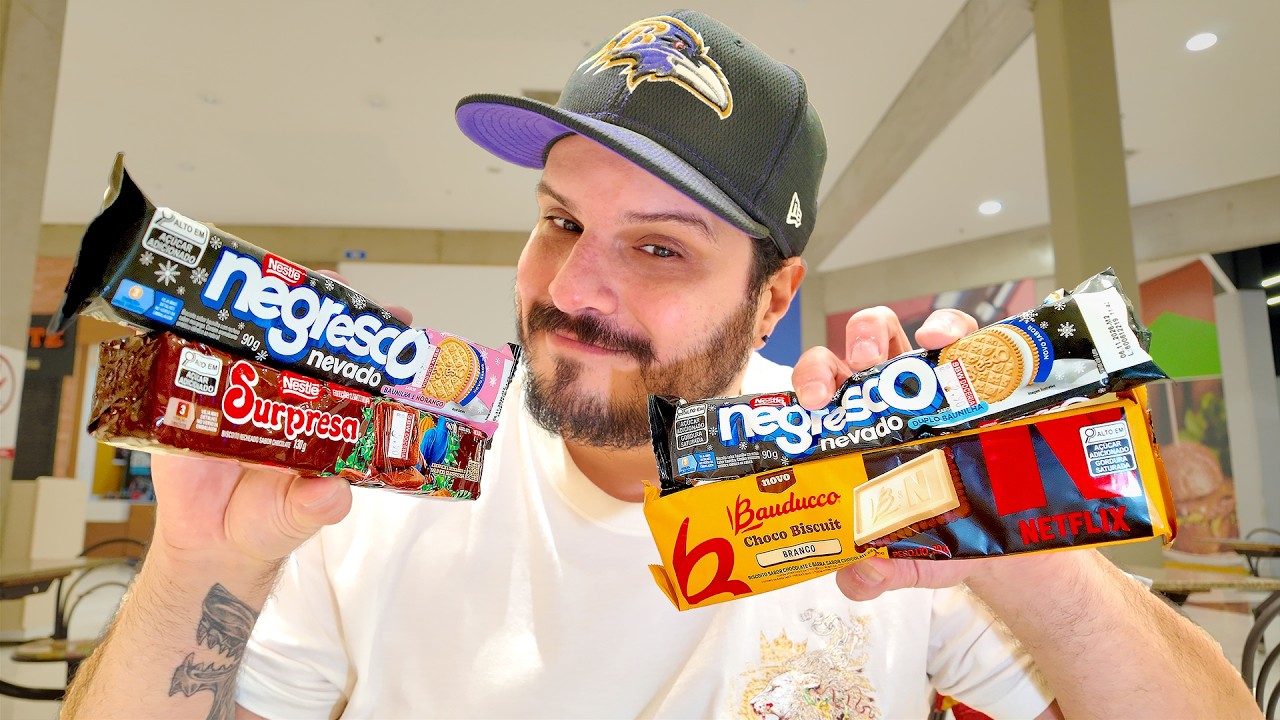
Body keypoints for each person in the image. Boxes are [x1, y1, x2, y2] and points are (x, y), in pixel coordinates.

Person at [64, 10, 1254, 720]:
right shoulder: (378, 486)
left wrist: (1014, 542)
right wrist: (191, 569)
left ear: (774, 295)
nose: (575, 288)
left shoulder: (877, 494)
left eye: (657, 247)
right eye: (561, 219)